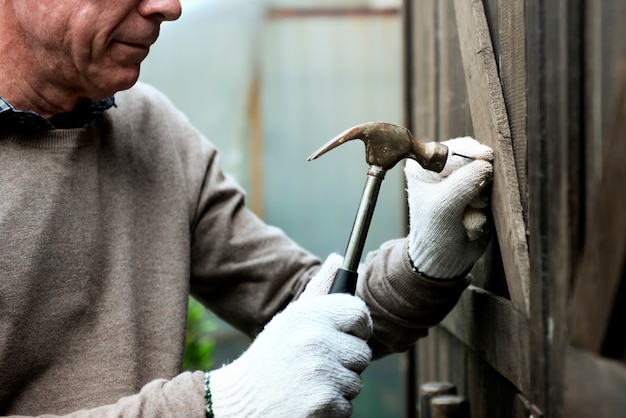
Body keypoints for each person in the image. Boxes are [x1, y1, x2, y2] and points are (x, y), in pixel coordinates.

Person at [0, 0, 494, 417]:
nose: (169, 7)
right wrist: (221, 404)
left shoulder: (150, 130)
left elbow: (312, 312)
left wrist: (428, 259)